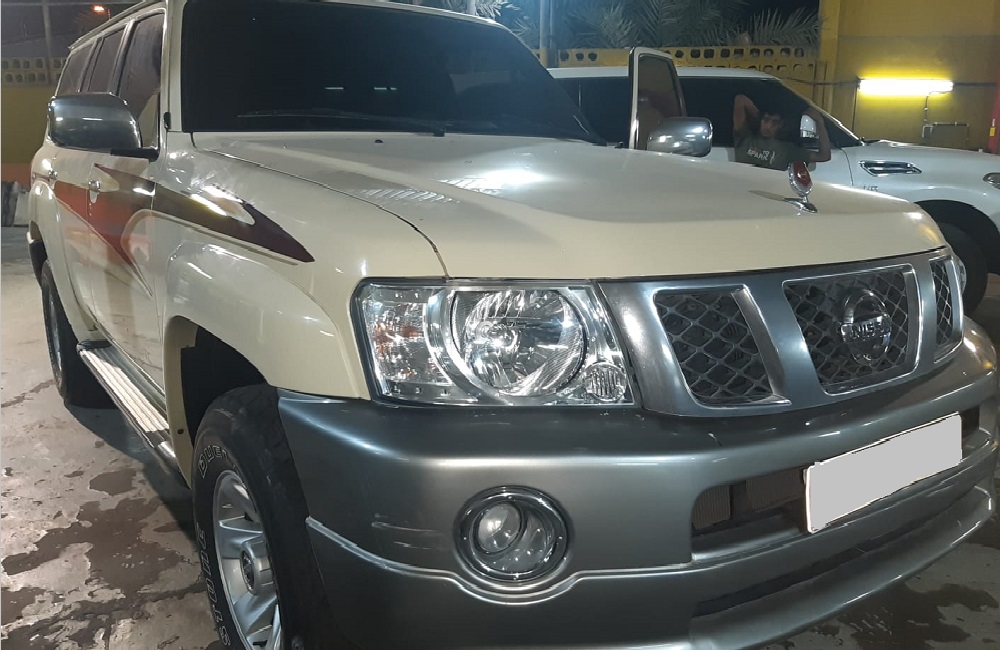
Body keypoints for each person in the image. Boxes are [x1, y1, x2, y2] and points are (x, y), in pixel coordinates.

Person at [733, 94, 831, 171]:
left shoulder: (787, 150)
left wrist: (820, 122)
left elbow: (824, 156)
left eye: (775, 123)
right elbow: (740, 100)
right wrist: (759, 116)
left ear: (781, 125)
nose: (768, 126)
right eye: (766, 120)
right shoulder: (745, 138)